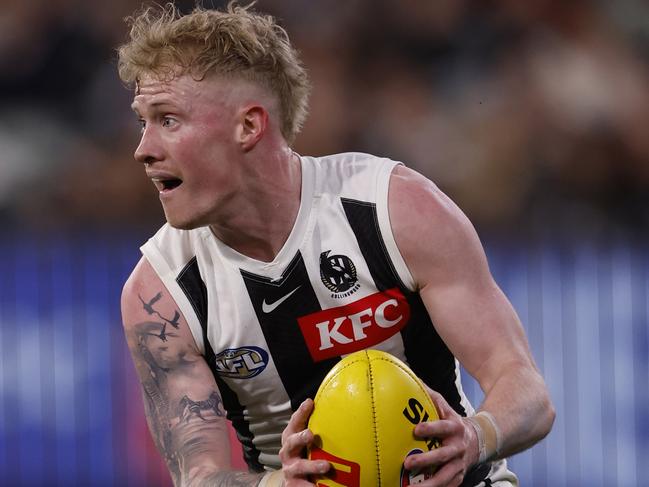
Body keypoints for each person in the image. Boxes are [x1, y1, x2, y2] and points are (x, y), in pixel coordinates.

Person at [118, 3, 555, 486]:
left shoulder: (393, 209)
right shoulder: (161, 293)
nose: (144, 148)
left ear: (249, 126)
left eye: (168, 119)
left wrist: (474, 437)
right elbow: (196, 478)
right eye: (144, 120)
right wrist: (276, 483)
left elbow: (528, 394)